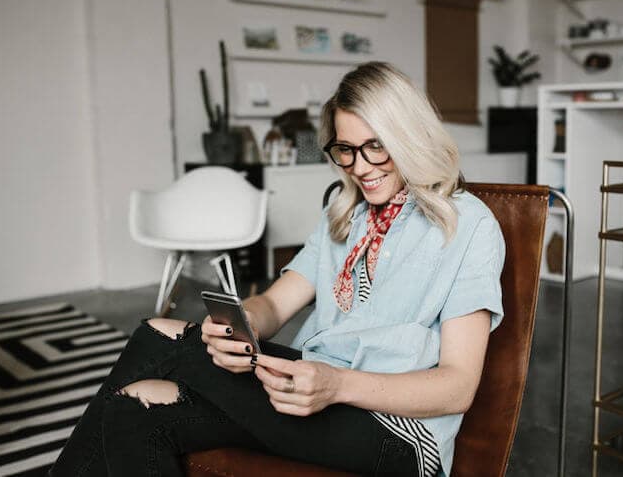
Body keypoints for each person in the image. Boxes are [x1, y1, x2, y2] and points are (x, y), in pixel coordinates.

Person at [50, 61, 504, 477]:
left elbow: (457, 388)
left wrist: (338, 384)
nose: (360, 168)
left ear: (409, 137)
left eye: (375, 148)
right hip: (311, 388)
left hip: (397, 433)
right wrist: (239, 324)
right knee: (133, 407)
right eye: (345, 150)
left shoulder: (467, 224)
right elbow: (273, 302)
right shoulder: (346, 214)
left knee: (159, 332)